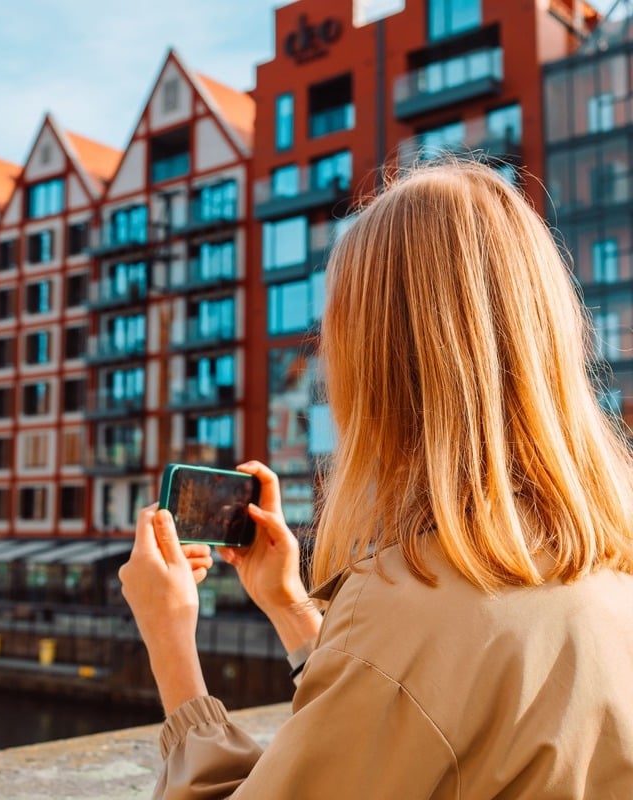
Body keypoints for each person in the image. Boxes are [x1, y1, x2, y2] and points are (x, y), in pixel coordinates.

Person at [118, 161, 633, 798]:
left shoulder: (408, 604)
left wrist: (169, 641)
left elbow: (403, 684)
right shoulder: (602, 570)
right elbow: (412, 724)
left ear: (376, 361)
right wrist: (290, 606)